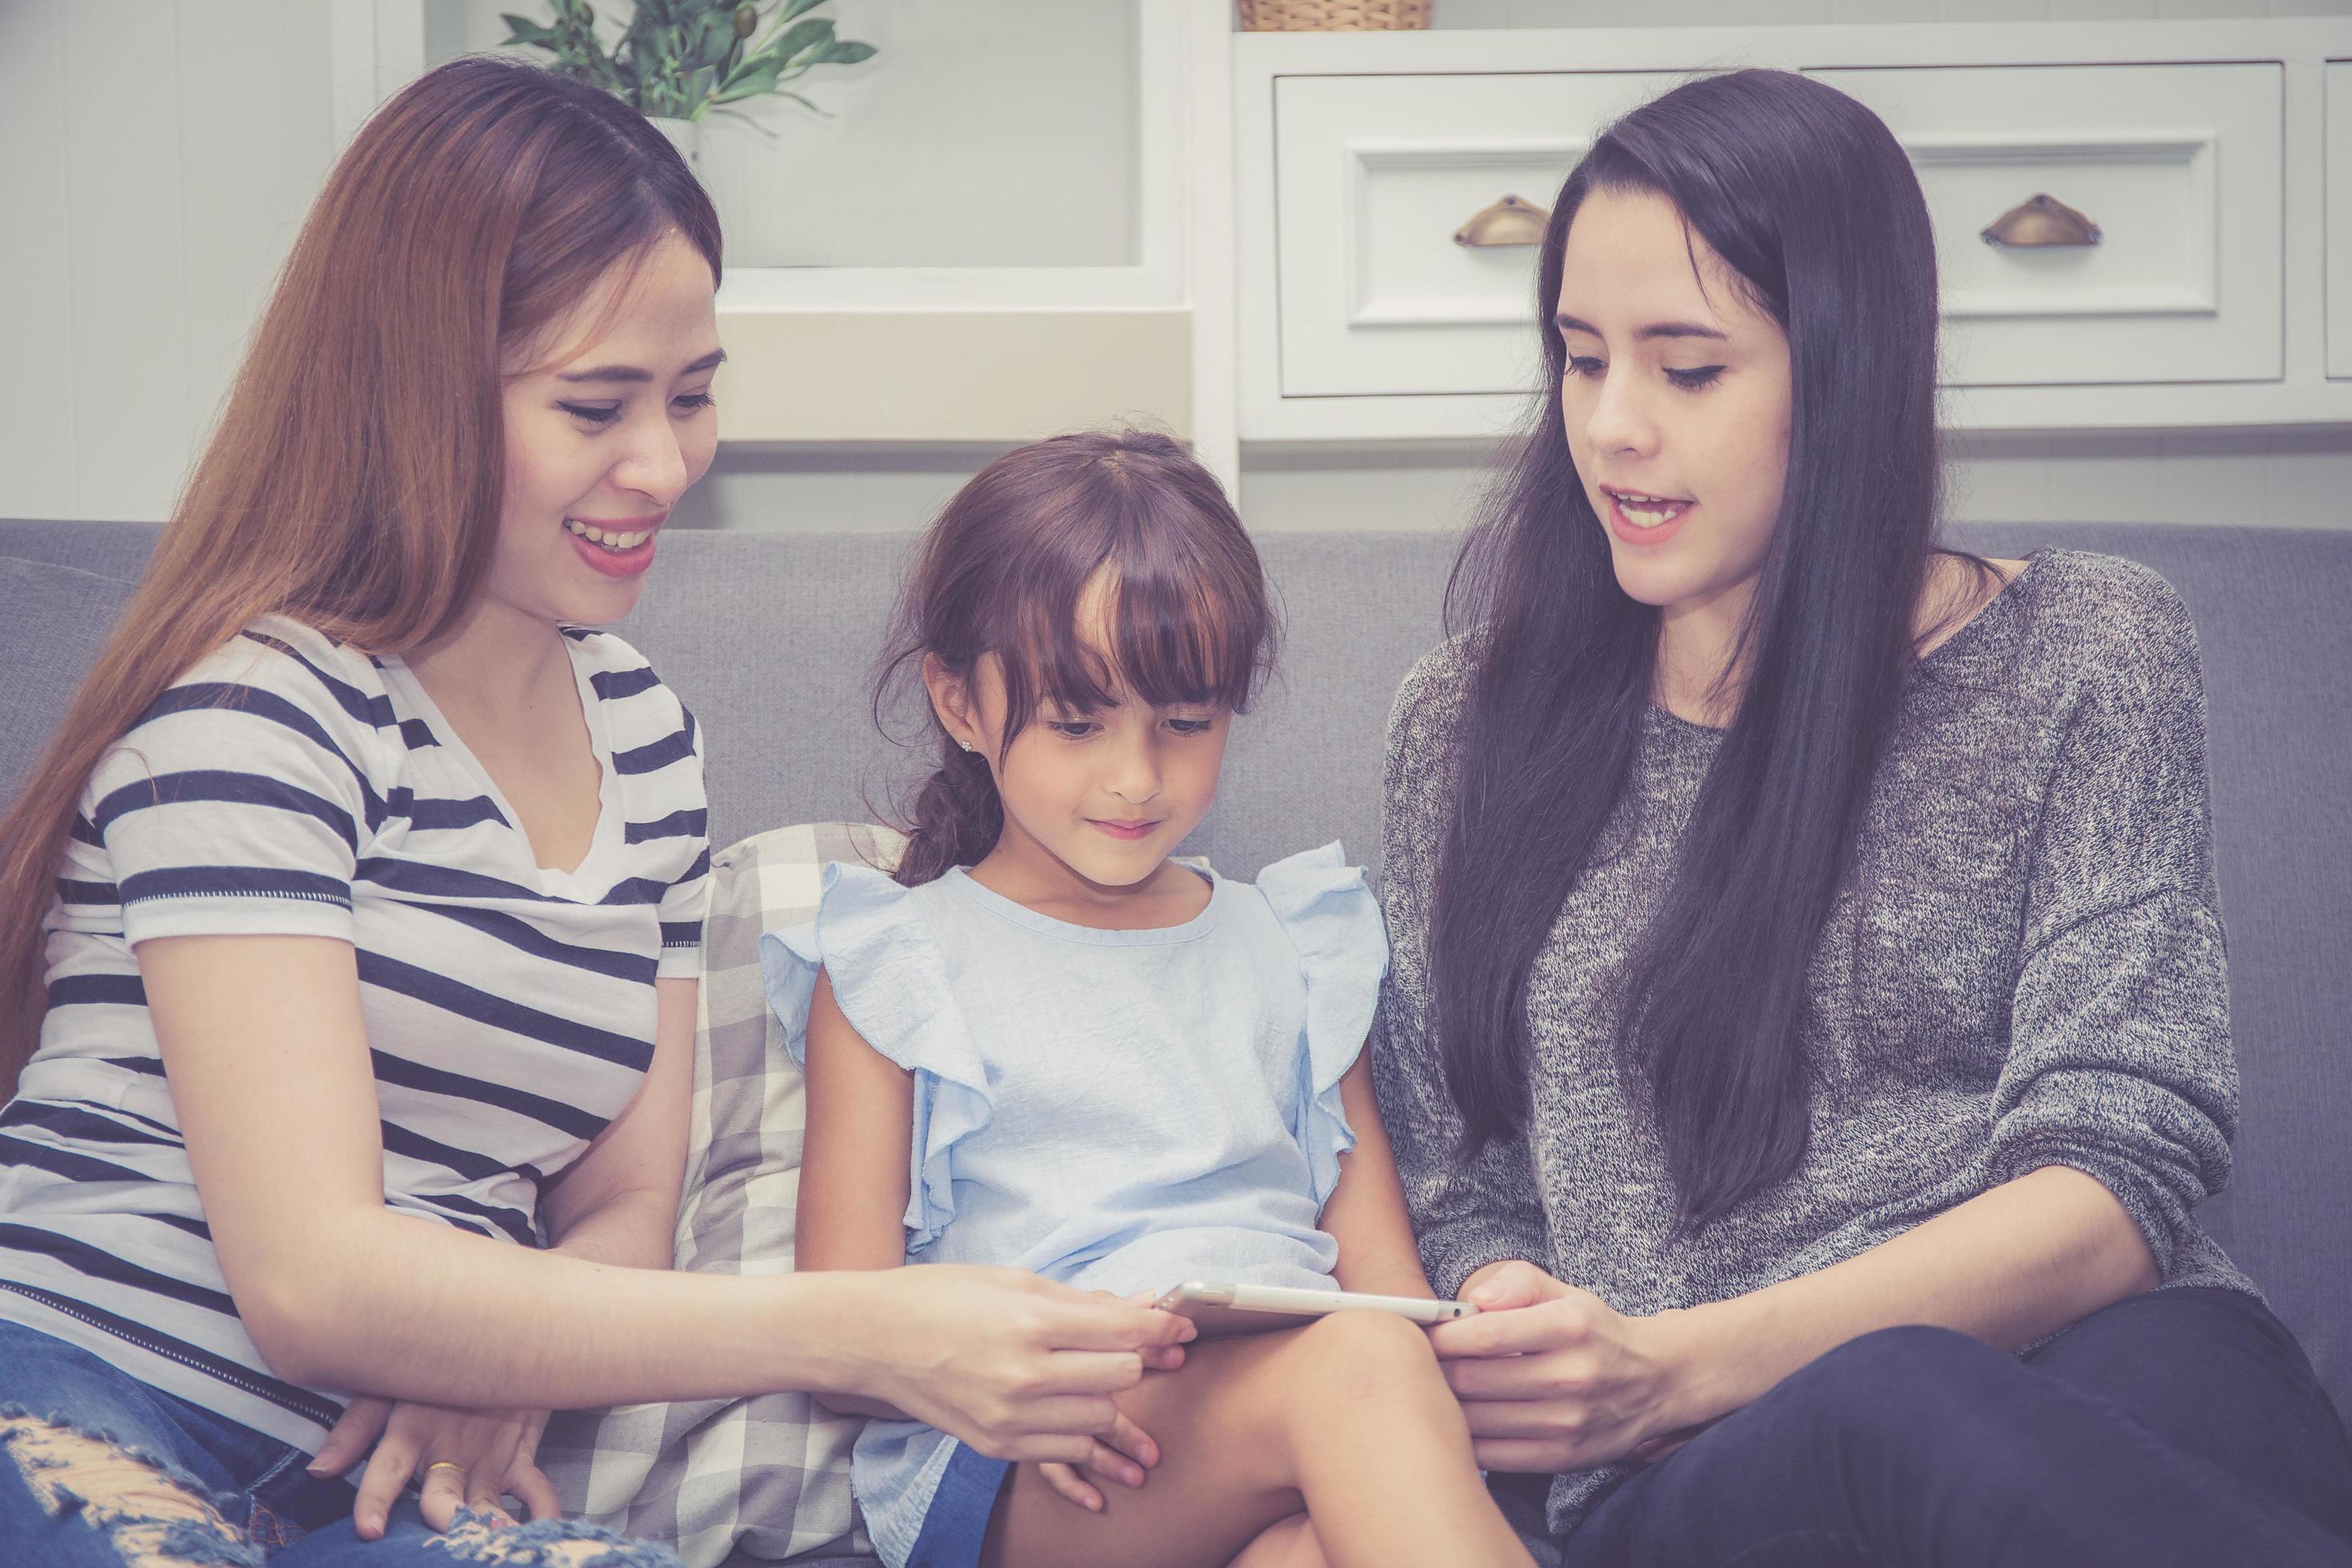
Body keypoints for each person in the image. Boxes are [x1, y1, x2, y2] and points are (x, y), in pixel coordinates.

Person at [0, 58, 1185, 1567]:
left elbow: (627, 1195)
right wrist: (862, 1331)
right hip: (89, 1399)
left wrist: (509, 1353)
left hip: (379, 1491)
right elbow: (312, 1282)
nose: (663, 463)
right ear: (413, 387)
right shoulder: (256, 715)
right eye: (595, 405)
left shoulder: (648, 739)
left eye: (692, 397)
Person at [1370, 66, 2352, 1566]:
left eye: (1686, 370)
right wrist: (1540, 1332)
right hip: (1706, 1467)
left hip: (2092, 1352)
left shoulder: (2092, 648)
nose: (1612, 428)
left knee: (2207, 1405)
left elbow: (2120, 1168)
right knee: (1898, 1400)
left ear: (1847, 374)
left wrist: (1673, 1363)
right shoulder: (1465, 727)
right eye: (1579, 360)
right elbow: (1461, 1178)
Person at [770, 427, 1532, 1568]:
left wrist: (1485, 1325)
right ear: (961, 704)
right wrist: (1025, 1379)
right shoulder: (898, 957)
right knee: (1359, 1372)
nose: (1136, 778)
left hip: (1286, 1421)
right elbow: (837, 1337)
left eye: (1186, 724)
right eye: (1079, 725)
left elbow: (1382, 1284)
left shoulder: (1294, 946)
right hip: (1034, 1450)